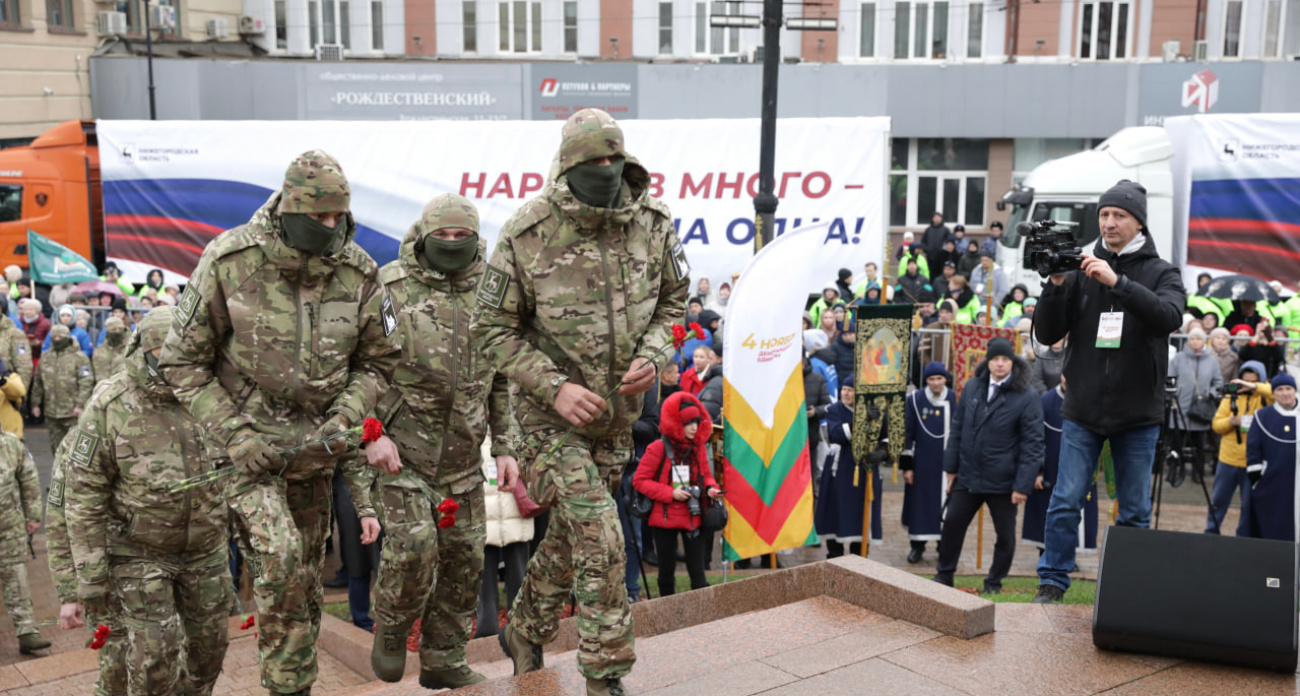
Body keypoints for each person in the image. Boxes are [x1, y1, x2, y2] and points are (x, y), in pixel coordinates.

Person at [157, 150, 401, 696]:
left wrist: (346, 414)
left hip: (316, 457)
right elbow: (182, 361)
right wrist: (235, 436)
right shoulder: (230, 260)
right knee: (283, 561)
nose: (331, 227)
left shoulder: (359, 271)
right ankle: (287, 686)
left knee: (304, 585)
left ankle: (292, 680)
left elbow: (381, 361)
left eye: (340, 216)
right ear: (290, 205)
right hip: (245, 455)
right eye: (319, 217)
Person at [472, 109, 687, 696]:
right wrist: (554, 386)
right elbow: (491, 329)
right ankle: (605, 675)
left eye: (613, 158)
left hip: (617, 420)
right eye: (592, 161)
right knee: (601, 535)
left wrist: (656, 355)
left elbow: (675, 304)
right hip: (549, 421)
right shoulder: (528, 232)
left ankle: (524, 630)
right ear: (568, 165)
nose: (605, 169)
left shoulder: (654, 222)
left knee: (572, 539)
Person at [340, 194, 514, 688]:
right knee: (415, 547)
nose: (453, 243)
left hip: (462, 459)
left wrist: (504, 446)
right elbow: (358, 366)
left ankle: (443, 658)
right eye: (444, 235)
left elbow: (502, 377)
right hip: (400, 455)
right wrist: (370, 434)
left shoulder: (492, 291)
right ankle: (392, 627)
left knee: (464, 564)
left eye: (463, 236)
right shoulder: (389, 286)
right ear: (424, 233)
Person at [64, 307, 232, 694]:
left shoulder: (213, 391)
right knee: (154, 660)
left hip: (205, 550)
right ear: (145, 352)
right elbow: (83, 493)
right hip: (139, 552)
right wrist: (89, 575)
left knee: (211, 649)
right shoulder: (111, 403)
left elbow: (237, 470)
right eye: (165, 362)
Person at [1032, 180, 1185, 603]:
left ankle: (1128, 588)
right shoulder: (1080, 266)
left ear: (1139, 222)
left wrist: (1117, 282)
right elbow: (1047, 333)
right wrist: (1057, 284)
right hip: (1083, 408)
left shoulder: (1161, 271)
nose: (1110, 222)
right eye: (1104, 215)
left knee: (1134, 511)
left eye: (1119, 215)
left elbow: (1169, 316)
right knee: (1065, 500)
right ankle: (1052, 582)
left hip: (1137, 414)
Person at [937, 338, 1044, 594]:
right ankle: (944, 575)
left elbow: (1033, 444)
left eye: (1005, 359)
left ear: (1012, 362)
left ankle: (993, 583)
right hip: (968, 476)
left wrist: (1023, 485)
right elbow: (958, 428)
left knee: (1005, 537)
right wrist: (951, 468)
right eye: (995, 359)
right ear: (987, 361)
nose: (999, 364)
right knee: (952, 524)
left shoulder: (1026, 395)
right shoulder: (973, 386)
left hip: (1004, 481)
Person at [45, 426, 127, 692]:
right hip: (107, 573)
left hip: (166, 568)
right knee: (116, 664)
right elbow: (57, 517)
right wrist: (68, 593)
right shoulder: (81, 438)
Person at [632, 392, 720, 598]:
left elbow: (706, 475)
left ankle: (704, 618)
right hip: (664, 520)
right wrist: (670, 493)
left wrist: (711, 488)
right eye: (688, 423)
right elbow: (639, 481)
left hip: (693, 516)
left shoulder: (697, 448)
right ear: (676, 423)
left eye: (697, 422)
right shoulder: (657, 448)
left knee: (698, 573)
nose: (693, 428)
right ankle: (667, 618)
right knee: (666, 574)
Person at [1023, 376, 1100, 555]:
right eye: (1066, 375)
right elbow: (1035, 438)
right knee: (1046, 512)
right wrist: (1038, 470)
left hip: (1082, 468)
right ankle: (1046, 554)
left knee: (1078, 511)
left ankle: (1069, 555)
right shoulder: (1046, 401)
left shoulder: (1091, 399)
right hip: (1050, 470)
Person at [816, 378, 884, 557]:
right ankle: (835, 555)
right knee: (835, 509)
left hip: (865, 467)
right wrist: (863, 420)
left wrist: (883, 453)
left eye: (851, 390)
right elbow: (836, 434)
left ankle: (859, 555)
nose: (845, 393)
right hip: (840, 468)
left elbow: (886, 435)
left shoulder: (875, 409)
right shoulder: (834, 410)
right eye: (843, 389)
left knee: (861, 511)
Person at [1208, 361, 1272, 535]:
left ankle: (1243, 536)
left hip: (1252, 460)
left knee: (1248, 504)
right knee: (1218, 500)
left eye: (1252, 381)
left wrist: (1255, 388)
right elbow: (1216, 425)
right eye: (1245, 380)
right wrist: (1229, 422)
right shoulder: (1231, 398)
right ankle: (1211, 532)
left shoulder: (1266, 397)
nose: (1247, 385)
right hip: (1228, 459)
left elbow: (1276, 392)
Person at [0, 427, 48, 655]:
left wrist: (34, 516)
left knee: (16, 576)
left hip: (8, 526)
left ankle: (27, 632)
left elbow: (29, 479)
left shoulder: (10, 444)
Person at [901, 362, 954, 564]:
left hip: (946, 464)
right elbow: (908, 433)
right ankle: (917, 546)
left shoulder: (954, 398)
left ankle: (944, 546)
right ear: (926, 381)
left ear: (945, 379)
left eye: (939, 379)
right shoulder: (914, 400)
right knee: (920, 505)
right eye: (931, 379)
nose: (936, 383)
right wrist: (907, 465)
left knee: (947, 506)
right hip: (922, 463)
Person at [1245, 374, 1299, 541]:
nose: (1285, 393)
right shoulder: (1262, 416)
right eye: (1280, 389)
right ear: (1273, 394)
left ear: (1295, 391)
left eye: (1289, 389)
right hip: (1272, 483)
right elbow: (1253, 449)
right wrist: (1258, 478)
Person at [1166, 326, 1222, 487]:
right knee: (1176, 443)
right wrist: (1173, 394)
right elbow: (1170, 378)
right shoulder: (1178, 358)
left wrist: (1211, 393)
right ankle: (1175, 470)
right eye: (1192, 338)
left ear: (1203, 340)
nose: (1195, 341)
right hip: (1179, 407)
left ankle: (1198, 472)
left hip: (1201, 409)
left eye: (1198, 338)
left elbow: (1218, 382)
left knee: (1199, 444)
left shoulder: (1211, 360)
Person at [30, 324, 93, 452]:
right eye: (55, 337)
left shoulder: (79, 358)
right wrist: (35, 404)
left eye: (60, 337)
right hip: (51, 412)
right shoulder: (46, 357)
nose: (57, 339)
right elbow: (38, 382)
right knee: (56, 448)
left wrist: (80, 405)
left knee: (74, 448)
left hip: (72, 412)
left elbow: (86, 382)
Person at [93, 317, 129, 386]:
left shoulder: (131, 349)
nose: (117, 332)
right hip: (103, 390)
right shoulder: (99, 351)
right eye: (114, 329)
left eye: (120, 329)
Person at [17, 299, 50, 363]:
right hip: (22, 355)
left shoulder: (46, 323)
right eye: (26, 309)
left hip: (39, 355)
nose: (28, 311)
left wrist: (39, 343)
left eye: (31, 309)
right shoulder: (19, 321)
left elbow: (49, 340)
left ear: (37, 311)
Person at [831, 313, 856, 387]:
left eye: (850, 334)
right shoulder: (835, 347)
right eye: (845, 335)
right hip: (841, 383)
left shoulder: (860, 346)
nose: (848, 337)